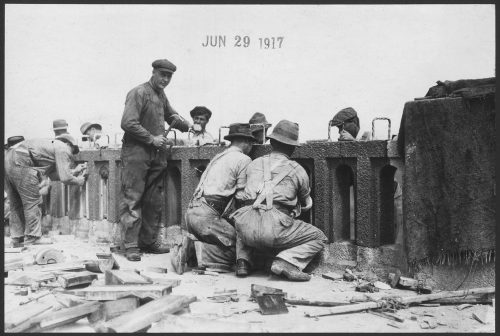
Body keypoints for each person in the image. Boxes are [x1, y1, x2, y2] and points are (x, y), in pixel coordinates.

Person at [230, 120, 328, 281]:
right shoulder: (297, 169)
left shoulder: (254, 164)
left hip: (246, 229)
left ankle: (243, 261)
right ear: (292, 147)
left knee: (246, 214)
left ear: (272, 142)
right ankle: (286, 261)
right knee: (319, 237)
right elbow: (307, 202)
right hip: (273, 229)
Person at [119, 58, 192, 261]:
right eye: (163, 75)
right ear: (153, 72)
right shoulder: (138, 92)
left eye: (169, 76)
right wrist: (151, 138)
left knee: (153, 199)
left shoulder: (161, 95)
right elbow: (127, 123)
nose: (165, 79)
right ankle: (131, 245)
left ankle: (149, 242)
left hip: (157, 155)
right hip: (136, 153)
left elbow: (171, 116)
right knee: (132, 198)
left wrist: (187, 125)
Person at [171, 123, 257, 274]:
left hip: (192, 214)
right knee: (243, 243)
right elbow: (240, 196)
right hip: (207, 217)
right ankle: (194, 251)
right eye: (251, 143)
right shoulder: (243, 159)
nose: (252, 146)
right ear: (246, 142)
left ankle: (191, 249)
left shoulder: (220, 156)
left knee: (227, 238)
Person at [4, 134, 87, 247]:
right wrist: (78, 181)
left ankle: (17, 238)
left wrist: (74, 172)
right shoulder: (63, 147)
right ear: (69, 144)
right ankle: (33, 237)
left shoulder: (49, 146)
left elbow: (54, 176)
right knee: (33, 203)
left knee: (16, 204)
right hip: (22, 161)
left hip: (9, 158)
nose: (71, 154)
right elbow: (65, 178)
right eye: (73, 151)